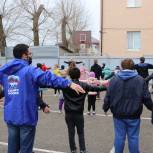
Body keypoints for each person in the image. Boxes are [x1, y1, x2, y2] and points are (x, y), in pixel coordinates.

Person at [0, 44, 85, 153]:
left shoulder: (5, 72)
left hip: (11, 116)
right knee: (25, 150)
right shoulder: (29, 70)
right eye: (29, 53)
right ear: (24, 55)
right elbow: (47, 77)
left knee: (12, 149)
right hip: (26, 117)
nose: (31, 55)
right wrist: (68, 83)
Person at [103, 58, 153, 153]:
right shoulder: (140, 80)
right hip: (134, 114)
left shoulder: (114, 79)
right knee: (133, 137)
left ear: (122, 67)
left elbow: (108, 96)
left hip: (118, 114)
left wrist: (105, 107)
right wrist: (151, 107)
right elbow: (146, 97)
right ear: (133, 67)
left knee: (119, 136)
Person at [62, 67, 106, 153]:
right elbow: (97, 88)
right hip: (79, 113)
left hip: (69, 113)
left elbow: (52, 84)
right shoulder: (83, 85)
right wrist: (108, 86)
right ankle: (82, 150)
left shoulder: (65, 85)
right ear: (79, 75)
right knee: (80, 132)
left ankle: (73, 150)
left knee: (71, 132)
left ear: (70, 76)